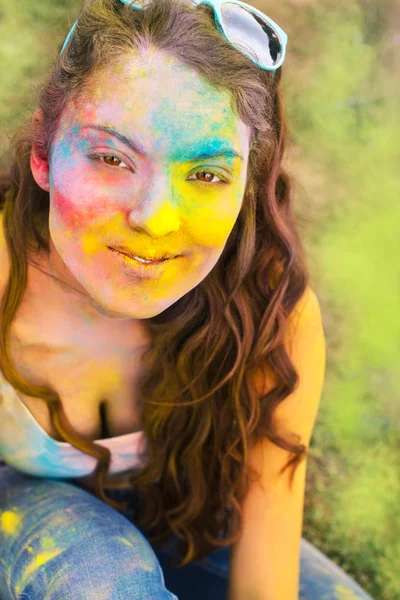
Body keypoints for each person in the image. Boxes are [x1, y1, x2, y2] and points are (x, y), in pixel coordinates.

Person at [0, 0, 374, 598]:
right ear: (42, 155)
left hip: (177, 513)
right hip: (13, 507)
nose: (154, 217)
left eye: (204, 174)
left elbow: (267, 542)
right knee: (105, 578)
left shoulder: (270, 309)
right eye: (111, 157)